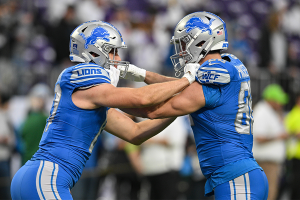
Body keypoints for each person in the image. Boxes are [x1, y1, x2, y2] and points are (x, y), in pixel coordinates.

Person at [10, 20, 198, 199]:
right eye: (113, 52)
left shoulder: (93, 99)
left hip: (38, 177)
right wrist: (188, 79)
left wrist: (185, 101)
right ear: (93, 53)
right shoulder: (81, 75)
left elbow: (136, 131)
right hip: (46, 177)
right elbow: (142, 99)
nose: (119, 59)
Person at [119, 11, 269, 200]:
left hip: (235, 177)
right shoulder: (228, 64)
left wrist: (105, 97)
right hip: (238, 175)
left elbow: (152, 109)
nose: (181, 51)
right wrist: (140, 73)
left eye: (184, 43)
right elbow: (180, 87)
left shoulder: (214, 74)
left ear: (201, 42)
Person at [252, 84, 288, 200]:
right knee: (267, 194)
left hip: (269, 162)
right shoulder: (262, 112)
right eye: (278, 100)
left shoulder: (270, 112)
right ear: (271, 99)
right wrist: (279, 136)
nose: (281, 104)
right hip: (265, 162)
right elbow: (259, 137)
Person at [285, 93, 300, 199]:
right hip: (295, 154)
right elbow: (285, 132)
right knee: (295, 181)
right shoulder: (293, 114)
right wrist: (295, 134)